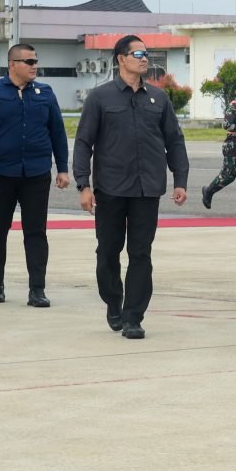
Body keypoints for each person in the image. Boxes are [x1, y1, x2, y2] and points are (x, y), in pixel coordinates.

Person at [73, 35, 190, 339]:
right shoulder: (100, 98)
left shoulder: (158, 98)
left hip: (147, 189)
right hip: (110, 189)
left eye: (145, 53)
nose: (143, 58)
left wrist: (180, 180)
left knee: (141, 254)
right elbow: (84, 142)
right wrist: (83, 185)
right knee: (108, 252)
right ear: (120, 59)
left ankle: (133, 316)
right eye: (137, 53)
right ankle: (113, 302)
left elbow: (174, 140)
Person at [0, 44, 70, 307]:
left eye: (36, 60)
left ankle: (37, 289)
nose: (34, 65)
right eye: (28, 61)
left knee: (36, 231)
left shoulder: (45, 93)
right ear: (12, 64)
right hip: (0, 175)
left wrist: (62, 168)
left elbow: (57, 132)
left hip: (36, 173)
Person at [202, 79, 236, 208]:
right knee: (228, 176)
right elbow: (227, 125)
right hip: (233, 147)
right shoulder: (233, 107)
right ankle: (208, 191)